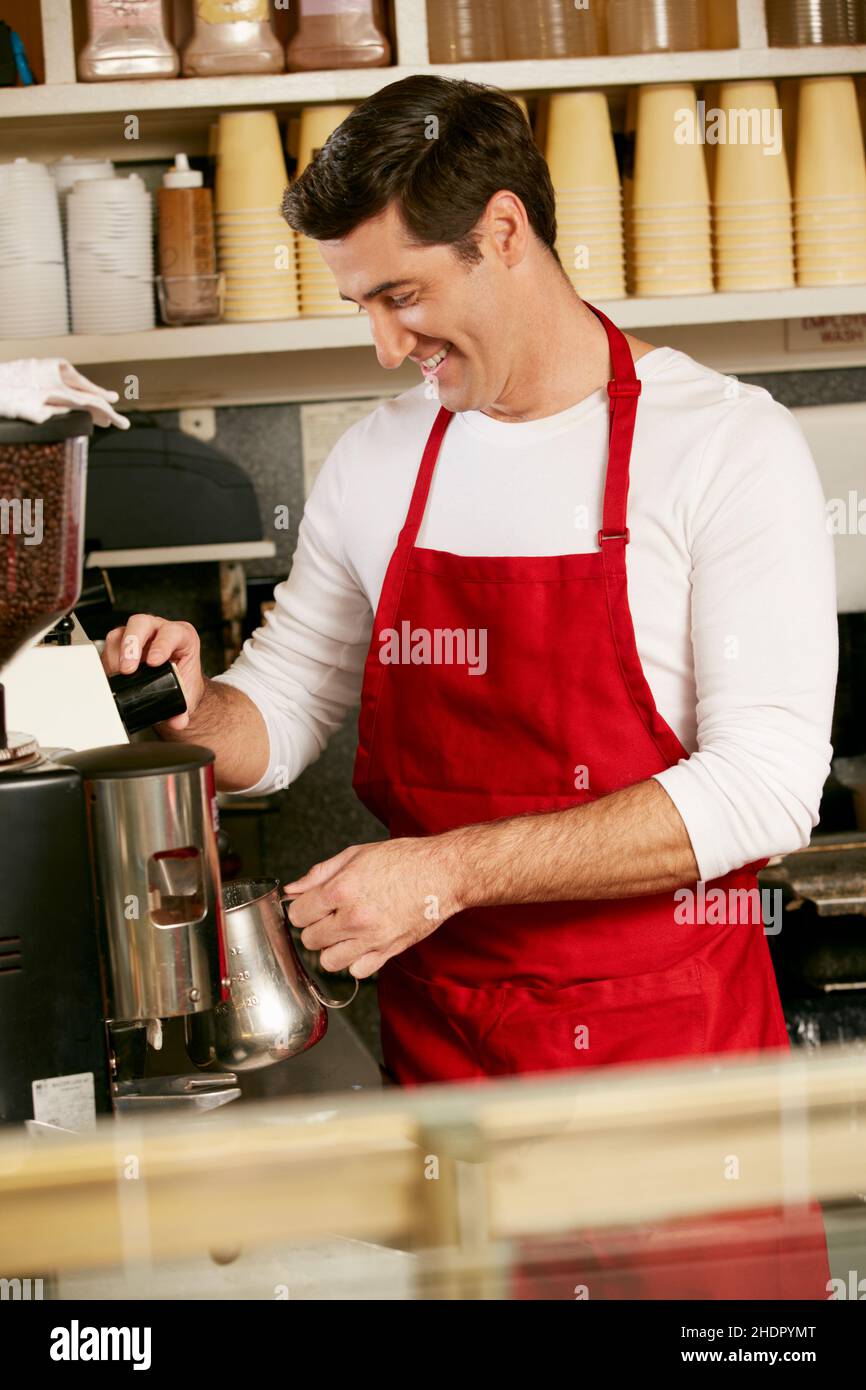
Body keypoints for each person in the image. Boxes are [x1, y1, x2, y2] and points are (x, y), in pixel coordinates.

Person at [103, 77, 837, 1297]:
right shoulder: (382, 455)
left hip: (677, 1087)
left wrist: (444, 871)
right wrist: (193, 701)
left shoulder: (722, 444)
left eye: (401, 296)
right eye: (362, 306)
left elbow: (764, 789)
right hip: (457, 1085)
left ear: (502, 232)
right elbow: (277, 715)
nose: (385, 345)